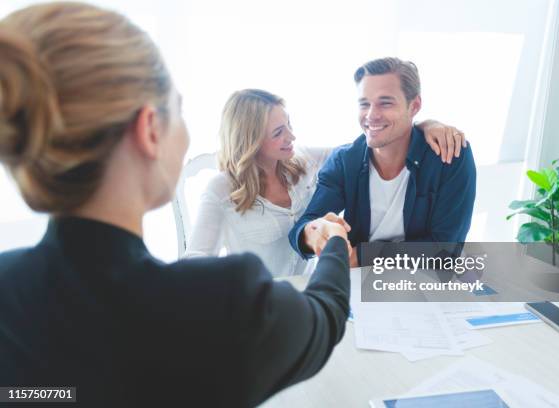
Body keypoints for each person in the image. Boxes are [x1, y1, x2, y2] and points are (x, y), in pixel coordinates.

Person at [0, 3, 352, 407]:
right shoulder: (223, 303)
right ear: (150, 129)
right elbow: (326, 315)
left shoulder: (7, 288)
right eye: (179, 111)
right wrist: (335, 241)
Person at [185, 88, 467, 277]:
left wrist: (422, 125)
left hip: (309, 298)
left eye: (290, 125)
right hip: (255, 304)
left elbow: (370, 146)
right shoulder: (220, 191)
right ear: (250, 140)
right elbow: (196, 259)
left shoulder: (304, 161)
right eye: (279, 132)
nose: (292, 137)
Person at [289, 57, 477, 266]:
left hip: (425, 282)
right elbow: (302, 228)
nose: (371, 115)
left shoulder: (449, 156)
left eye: (385, 103)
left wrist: (362, 256)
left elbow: (446, 249)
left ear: (414, 106)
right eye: (364, 104)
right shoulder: (344, 161)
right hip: (360, 286)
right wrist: (311, 233)